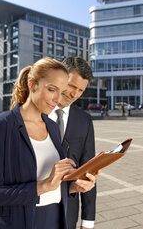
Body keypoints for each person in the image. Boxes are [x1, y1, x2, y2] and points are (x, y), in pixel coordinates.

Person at [0, 57, 97, 229]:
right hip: (18, 222)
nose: (58, 99)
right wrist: (44, 185)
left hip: (56, 219)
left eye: (62, 91)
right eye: (52, 89)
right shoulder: (2, 125)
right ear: (32, 84)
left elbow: (52, 186)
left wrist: (73, 187)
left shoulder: (51, 126)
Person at [49, 57, 96, 229]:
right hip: (32, 210)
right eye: (72, 86)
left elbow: (89, 169)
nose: (74, 94)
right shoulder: (35, 112)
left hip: (68, 214)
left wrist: (88, 222)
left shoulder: (85, 120)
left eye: (81, 90)